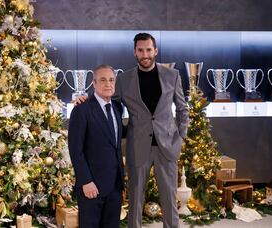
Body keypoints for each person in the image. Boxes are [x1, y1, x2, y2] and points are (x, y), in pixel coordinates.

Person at [75, 33, 189, 228]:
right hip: (137, 146)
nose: (145, 54)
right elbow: (106, 98)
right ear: (134, 52)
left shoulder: (173, 75)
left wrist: (181, 137)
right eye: (140, 50)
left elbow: (182, 108)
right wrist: (85, 99)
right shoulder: (124, 79)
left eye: (148, 50)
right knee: (135, 199)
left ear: (155, 51)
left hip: (167, 147)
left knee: (169, 200)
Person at [68, 64, 124, 228]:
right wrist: (86, 181)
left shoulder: (117, 107)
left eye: (111, 80)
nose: (108, 84)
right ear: (94, 83)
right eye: (103, 80)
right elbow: (75, 150)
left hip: (114, 186)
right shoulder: (82, 109)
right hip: (92, 186)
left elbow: (115, 139)